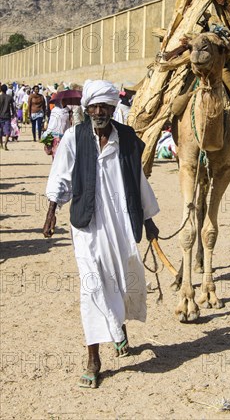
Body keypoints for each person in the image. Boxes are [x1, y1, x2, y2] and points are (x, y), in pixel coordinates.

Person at [43, 80, 160, 389]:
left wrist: (149, 222)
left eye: (104, 107)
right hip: (87, 226)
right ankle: (94, 359)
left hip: (121, 225)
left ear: (112, 108)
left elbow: (139, 181)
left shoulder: (127, 140)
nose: (98, 112)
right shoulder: (74, 137)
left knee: (120, 282)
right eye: (93, 107)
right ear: (87, 108)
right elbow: (61, 175)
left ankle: (118, 329)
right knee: (92, 286)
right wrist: (52, 210)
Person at [0, 84, 15, 150]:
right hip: (7, 116)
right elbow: (12, 107)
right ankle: (5, 144)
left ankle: (1, 145)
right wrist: (14, 114)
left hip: (0, 116)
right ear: (6, 90)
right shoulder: (9, 97)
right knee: (8, 132)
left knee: (0, 131)